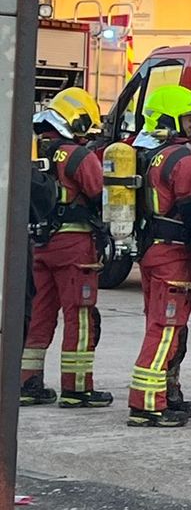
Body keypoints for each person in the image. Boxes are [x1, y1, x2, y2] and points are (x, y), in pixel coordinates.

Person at [21, 87, 113, 409]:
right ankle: (77, 389)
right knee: (81, 317)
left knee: (41, 316)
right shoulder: (78, 155)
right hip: (74, 247)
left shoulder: (33, 149)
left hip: (40, 245)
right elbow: (100, 194)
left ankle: (27, 383)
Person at [126, 84, 191, 428]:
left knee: (162, 328)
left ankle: (165, 395)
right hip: (174, 256)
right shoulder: (184, 160)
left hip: (153, 251)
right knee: (165, 329)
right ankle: (147, 405)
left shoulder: (151, 152)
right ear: (176, 120)